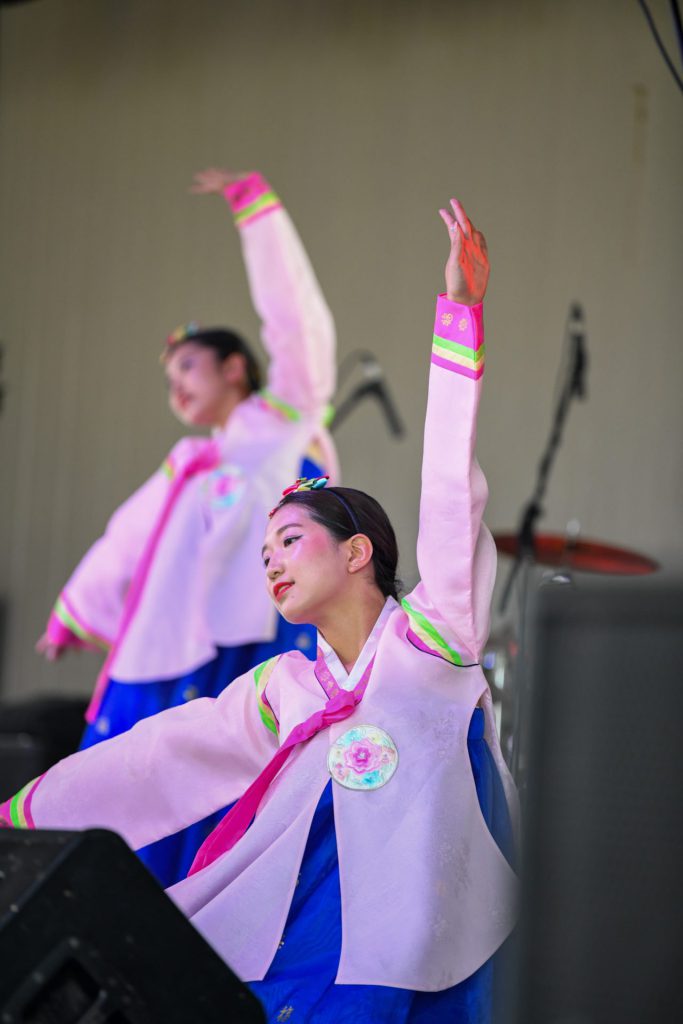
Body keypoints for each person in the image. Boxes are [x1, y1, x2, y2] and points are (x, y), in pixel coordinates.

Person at [3, 196, 518, 1022]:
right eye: (265, 549)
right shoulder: (285, 688)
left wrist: (460, 314)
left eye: (290, 540)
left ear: (356, 553)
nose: (270, 559)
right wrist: (23, 814)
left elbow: (448, 486)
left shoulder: (433, 637)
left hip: (434, 951)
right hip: (306, 952)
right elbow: (156, 757)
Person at [35, 169, 338, 886]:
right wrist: (75, 611)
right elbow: (126, 537)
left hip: (252, 639)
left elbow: (295, 319)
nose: (176, 387)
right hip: (177, 649)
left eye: (189, 367)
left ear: (236, 368)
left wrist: (255, 215)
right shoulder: (186, 463)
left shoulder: (284, 418)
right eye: (168, 375)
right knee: (145, 778)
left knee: (241, 780)